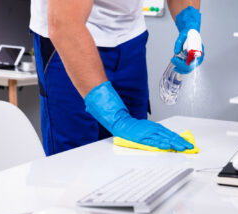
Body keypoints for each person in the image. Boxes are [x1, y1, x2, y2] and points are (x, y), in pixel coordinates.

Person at [30, 0, 204, 156]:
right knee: (74, 162)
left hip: (129, 38)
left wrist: (189, 24)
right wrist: (118, 119)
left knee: (132, 154)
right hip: (69, 37)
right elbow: (65, 25)